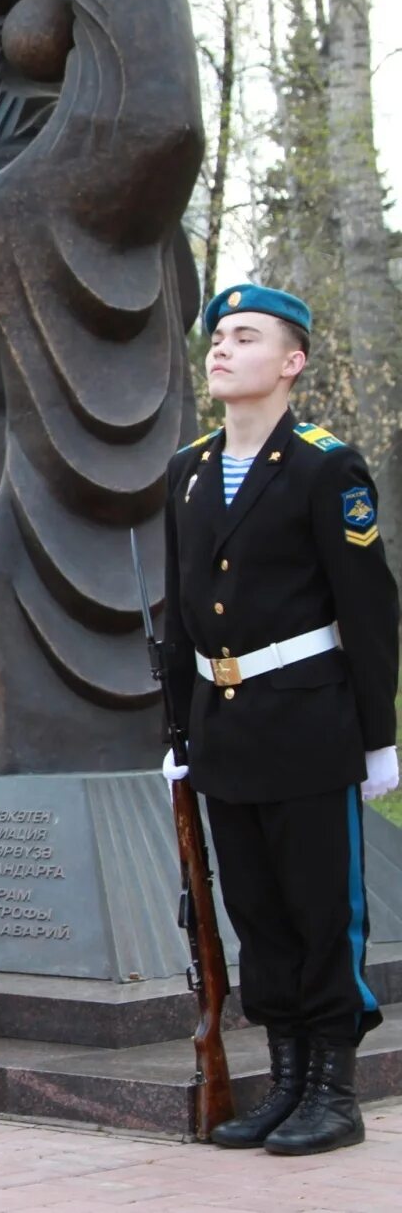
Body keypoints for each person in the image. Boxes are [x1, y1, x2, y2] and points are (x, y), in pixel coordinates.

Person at [160, 284, 399, 1157]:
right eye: (218, 336)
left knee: (317, 912)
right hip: (224, 728)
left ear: (291, 362)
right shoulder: (186, 471)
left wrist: (378, 737)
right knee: (256, 916)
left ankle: (334, 1091)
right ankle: (286, 1081)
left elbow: (369, 611)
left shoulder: (325, 466)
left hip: (307, 723)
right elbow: (178, 613)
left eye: (245, 337)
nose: (221, 349)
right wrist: (179, 736)